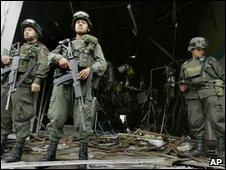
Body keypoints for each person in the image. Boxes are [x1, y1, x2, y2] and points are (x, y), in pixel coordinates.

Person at [40, 11, 107, 164]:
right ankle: (51, 153)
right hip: (63, 86)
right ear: (74, 27)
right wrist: (60, 59)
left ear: (88, 28)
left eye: (84, 22)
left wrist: (90, 69)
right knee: (56, 117)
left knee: (83, 120)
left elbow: (102, 64)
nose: (80, 23)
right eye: (78, 22)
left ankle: (82, 156)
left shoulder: (94, 45)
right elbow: (50, 56)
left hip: (83, 86)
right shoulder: (65, 45)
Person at [1, 19, 49, 162]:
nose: (26, 31)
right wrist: (4, 59)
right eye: (25, 30)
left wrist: (37, 80)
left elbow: (44, 65)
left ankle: (17, 152)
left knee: (21, 118)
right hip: (8, 85)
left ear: (37, 33)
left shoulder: (41, 49)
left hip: (23, 86)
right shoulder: (18, 48)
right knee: (3, 116)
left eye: (30, 29)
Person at [179, 37, 225, 162]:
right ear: (192, 50)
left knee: (217, 119)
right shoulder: (185, 65)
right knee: (195, 121)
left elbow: (222, 75)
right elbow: (182, 81)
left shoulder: (211, 61)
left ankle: (222, 149)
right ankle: (199, 148)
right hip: (192, 95)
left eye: (203, 49)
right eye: (199, 49)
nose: (202, 52)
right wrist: (182, 86)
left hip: (209, 92)